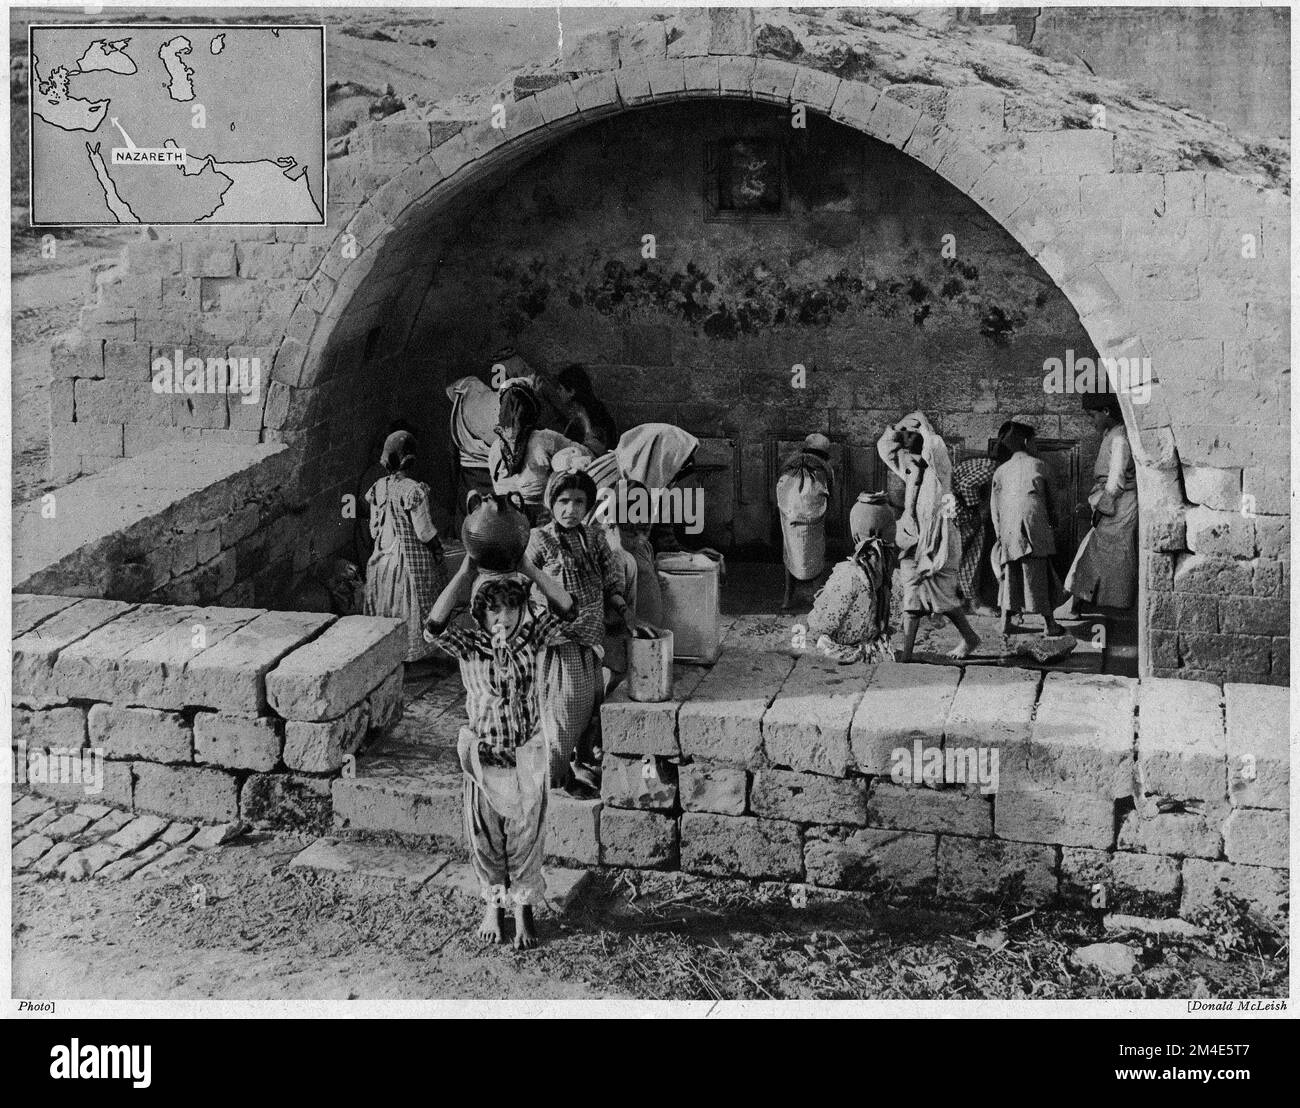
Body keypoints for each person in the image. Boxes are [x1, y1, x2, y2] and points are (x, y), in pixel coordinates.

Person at [423, 557, 577, 950]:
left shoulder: (532, 639)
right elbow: (432, 628)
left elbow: (568, 610)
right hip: (484, 758)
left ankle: (523, 909)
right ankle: (493, 905)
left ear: (522, 609)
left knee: (526, 836)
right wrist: (465, 572)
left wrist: (528, 568)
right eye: (493, 608)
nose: (502, 616)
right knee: (484, 837)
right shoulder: (470, 645)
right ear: (480, 613)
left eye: (510, 606)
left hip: (524, 755)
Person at [525, 461, 635, 791]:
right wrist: (540, 622)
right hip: (560, 638)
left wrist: (619, 604)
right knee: (565, 706)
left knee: (589, 702)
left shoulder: (594, 537)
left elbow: (609, 576)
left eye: (578, 502)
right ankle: (556, 777)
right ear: (550, 503)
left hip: (591, 635)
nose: (570, 510)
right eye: (563, 502)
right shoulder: (540, 540)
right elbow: (524, 583)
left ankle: (581, 762)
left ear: (587, 506)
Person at [877, 412, 981, 661]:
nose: (910, 463)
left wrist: (923, 425)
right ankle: (908, 654)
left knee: (942, 597)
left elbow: (934, 445)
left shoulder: (940, 470)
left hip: (939, 542)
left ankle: (970, 638)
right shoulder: (911, 469)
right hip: (912, 540)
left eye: (916, 456)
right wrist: (898, 427)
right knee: (912, 593)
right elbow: (885, 450)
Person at [363, 430, 448, 666]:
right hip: (406, 563)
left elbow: (373, 530)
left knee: (385, 608)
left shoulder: (378, 487)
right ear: (411, 459)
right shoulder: (413, 489)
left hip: (381, 559)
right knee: (410, 606)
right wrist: (437, 548)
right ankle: (412, 657)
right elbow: (424, 531)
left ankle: (388, 655)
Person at [1056, 394, 1138, 618]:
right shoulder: (1111, 434)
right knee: (1094, 553)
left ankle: (1076, 605)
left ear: (1107, 412)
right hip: (1114, 502)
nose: (1091, 421)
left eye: (1093, 415)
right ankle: (1076, 604)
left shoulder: (1120, 437)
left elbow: (1116, 478)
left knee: (1093, 553)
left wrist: (1103, 507)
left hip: (1119, 505)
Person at [989, 421, 1067, 638]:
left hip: (1009, 529)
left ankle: (1005, 622)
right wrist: (1053, 526)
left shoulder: (1001, 471)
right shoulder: (1039, 465)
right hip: (1034, 528)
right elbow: (1053, 504)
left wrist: (999, 534)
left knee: (1009, 574)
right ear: (1026, 441)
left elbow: (995, 508)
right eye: (1033, 441)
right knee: (1039, 574)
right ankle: (1049, 623)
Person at [804, 491, 898, 664]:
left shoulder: (849, 574)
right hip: (873, 648)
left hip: (849, 650)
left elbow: (823, 623)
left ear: (855, 534)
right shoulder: (884, 571)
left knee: (814, 641)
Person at [488, 379, 577, 525]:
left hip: (506, 526)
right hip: (542, 523)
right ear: (532, 407)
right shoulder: (546, 439)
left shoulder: (495, 449)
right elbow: (586, 454)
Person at [615, 423, 700, 552]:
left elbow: (665, 540)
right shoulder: (615, 481)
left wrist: (695, 555)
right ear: (659, 459)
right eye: (673, 469)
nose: (673, 480)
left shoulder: (657, 486)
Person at [776, 433, 835, 611]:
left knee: (791, 551)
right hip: (814, 519)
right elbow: (830, 491)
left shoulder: (790, 462)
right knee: (816, 554)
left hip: (790, 516)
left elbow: (781, 486)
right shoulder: (825, 468)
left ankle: (788, 596)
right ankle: (817, 596)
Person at [950, 456, 998, 616]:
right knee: (969, 555)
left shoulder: (989, 467)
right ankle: (972, 604)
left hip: (957, 506)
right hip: (957, 508)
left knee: (966, 556)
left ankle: (966, 601)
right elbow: (966, 484)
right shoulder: (992, 467)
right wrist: (977, 510)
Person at [556, 363, 619, 456]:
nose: (558, 391)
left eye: (561, 388)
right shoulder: (583, 408)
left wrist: (585, 422)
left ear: (572, 392)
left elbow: (600, 449)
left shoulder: (590, 413)